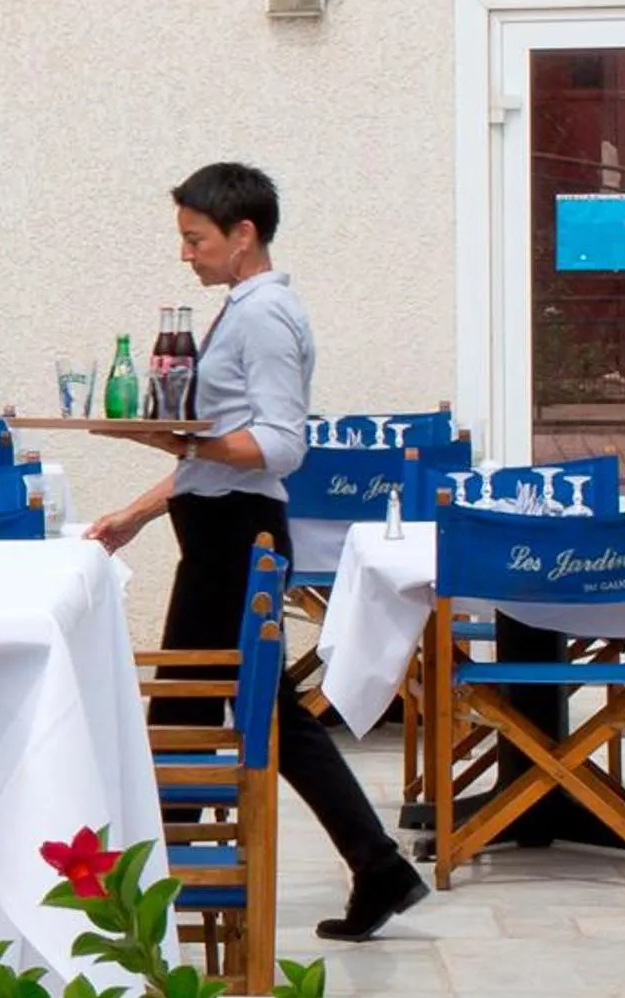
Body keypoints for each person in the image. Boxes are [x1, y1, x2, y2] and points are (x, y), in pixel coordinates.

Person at [85, 162, 428, 941]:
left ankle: (153, 894)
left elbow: (276, 444)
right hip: (220, 526)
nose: (185, 253)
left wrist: (162, 434)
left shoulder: (263, 317)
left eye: (194, 238)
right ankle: (374, 867)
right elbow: (210, 453)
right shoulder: (243, 309)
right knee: (255, 712)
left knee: (187, 704)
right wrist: (138, 511)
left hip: (235, 533)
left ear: (243, 235)